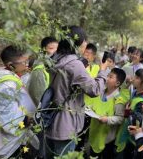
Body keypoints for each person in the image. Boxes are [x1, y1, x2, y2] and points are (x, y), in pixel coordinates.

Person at [44, 25, 112, 158]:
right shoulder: (74, 64)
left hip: (50, 117)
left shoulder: (54, 58)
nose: (86, 44)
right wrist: (102, 71)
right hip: (66, 124)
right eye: (84, 41)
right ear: (77, 42)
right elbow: (95, 89)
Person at [0, 45, 36, 158]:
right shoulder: (6, 85)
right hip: (7, 144)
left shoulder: (5, 75)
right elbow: (7, 117)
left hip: (15, 139)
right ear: (10, 65)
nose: (27, 64)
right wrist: (26, 119)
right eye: (24, 62)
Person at [116, 68, 143, 158]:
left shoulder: (142, 101)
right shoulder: (135, 92)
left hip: (132, 140)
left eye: (137, 78)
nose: (133, 78)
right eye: (135, 76)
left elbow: (138, 124)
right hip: (126, 135)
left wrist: (128, 112)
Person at [89, 68, 127, 158]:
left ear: (117, 83)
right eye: (107, 75)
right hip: (94, 133)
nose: (107, 78)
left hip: (107, 138)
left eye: (110, 77)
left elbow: (120, 118)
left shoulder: (119, 100)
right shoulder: (101, 91)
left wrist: (107, 119)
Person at [28, 37, 58, 106]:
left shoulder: (53, 65)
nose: (55, 51)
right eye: (51, 48)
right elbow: (36, 96)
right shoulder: (39, 69)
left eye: (57, 48)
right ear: (43, 50)